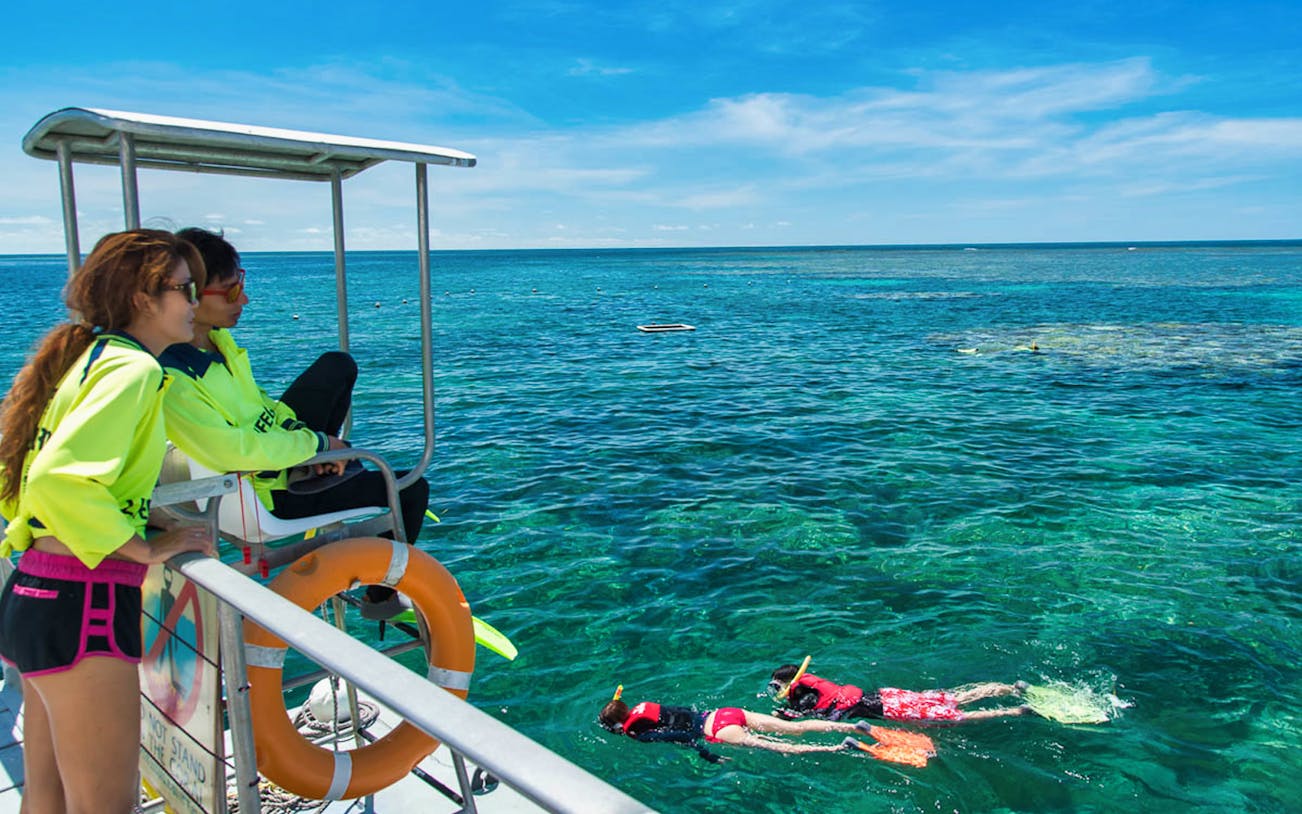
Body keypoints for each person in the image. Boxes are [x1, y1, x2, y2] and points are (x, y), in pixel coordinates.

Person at [0, 230, 216, 814]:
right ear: (145, 298)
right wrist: (143, 548)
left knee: (45, 796)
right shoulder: (135, 371)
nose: (197, 301)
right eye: (185, 288)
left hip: (35, 593)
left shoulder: (88, 360)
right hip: (83, 608)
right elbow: (58, 480)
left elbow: (22, 477)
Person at [159, 227, 430, 618]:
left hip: (278, 459)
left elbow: (262, 411)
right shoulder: (176, 381)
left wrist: (311, 441)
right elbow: (238, 451)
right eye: (232, 291)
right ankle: (379, 599)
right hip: (268, 494)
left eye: (242, 285)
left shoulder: (216, 345)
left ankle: (318, 469)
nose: (244, 299)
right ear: (190, 295)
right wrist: (318, 447)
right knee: (411, 489)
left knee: (337, 366)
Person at [599, 697, 862, 760]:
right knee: (795, 728)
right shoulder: (645, 706)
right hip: (721, 713)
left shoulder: (637, 732)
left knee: (780, 747)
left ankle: (839, 747)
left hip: (718, 732)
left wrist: (705, 754)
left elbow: (677, 735)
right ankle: (854, 726)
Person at [769, 663, 1032, 722]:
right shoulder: (811, 683)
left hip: (887, 709)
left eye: (776, 685)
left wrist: (786, 717)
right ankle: (1010, 688)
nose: (774, 689)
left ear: (787, 683)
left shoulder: (804, 698)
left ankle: (1013, 710)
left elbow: (825, 716)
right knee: (948, 698)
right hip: (885, 695)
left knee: (948, 717)